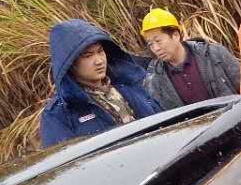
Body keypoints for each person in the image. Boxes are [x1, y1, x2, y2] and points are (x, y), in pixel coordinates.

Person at [40, 19, 161, 147]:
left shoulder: (130, 85)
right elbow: (65, 163)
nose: (99, 61)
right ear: (70, 63)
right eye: (88, 55)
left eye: (100, 51)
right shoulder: (58, 114)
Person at [140, 7, 241, 109]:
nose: (156, 48)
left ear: (175, 35)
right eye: (150, 44)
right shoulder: (156, 81)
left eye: (158, 40)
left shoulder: (214, 54)